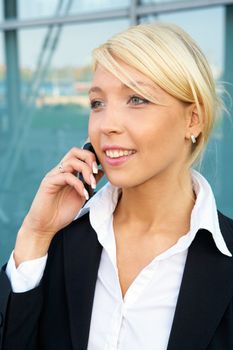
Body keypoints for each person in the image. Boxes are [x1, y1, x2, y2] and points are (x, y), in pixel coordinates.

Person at [0, 22, 233, 350]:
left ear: (192, 119)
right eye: (97, 103)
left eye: (137, 99)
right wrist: (35, 236)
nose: (107, 125)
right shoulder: (60, 244)